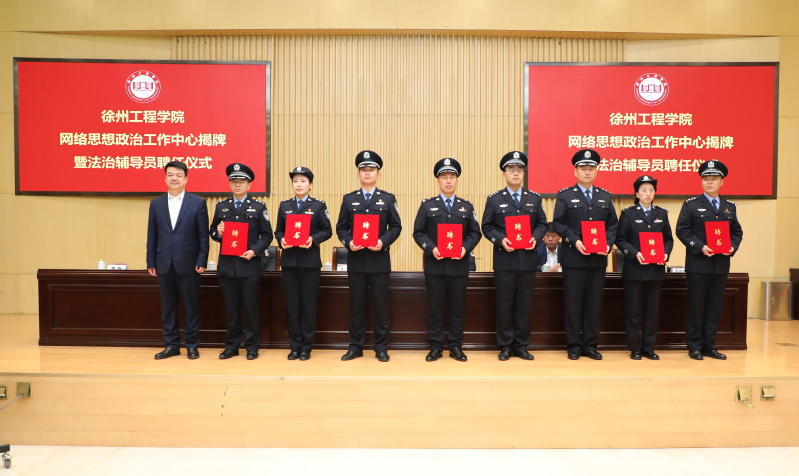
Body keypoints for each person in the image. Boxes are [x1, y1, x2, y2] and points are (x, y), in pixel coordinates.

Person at [412, 158, 482, 362]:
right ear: (438, 181)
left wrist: (465, 248)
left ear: (457, 180)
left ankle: (455, 346)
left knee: (458, 309)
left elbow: (475, 233)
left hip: (459, 267)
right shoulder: (427, 205)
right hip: (435, 267)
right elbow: (418, 233)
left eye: (452, 177)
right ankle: (435, 347)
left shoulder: (466, 207)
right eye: (444, 177)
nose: (448, 181)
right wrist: (431, 248)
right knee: (435, 309)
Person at [336, 150, 402, 362]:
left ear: (378, 174)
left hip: (379, 261)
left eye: (371, 170)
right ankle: (355, 346)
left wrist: (383, 241)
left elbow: (396, 227)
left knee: (381, 306)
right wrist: (348, 242)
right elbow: (341, 228)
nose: (367, 173)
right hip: (356, 261)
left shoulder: (388, 199)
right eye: (363, 169)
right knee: (356, 306)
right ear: (358, 174)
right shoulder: (349, 200)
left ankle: (381, 346)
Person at [481, 151, 548, 361]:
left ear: (524, 173)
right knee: (504, 304)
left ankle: (521, 345)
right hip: (505, 261)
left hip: (527, 261)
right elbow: (487, 227)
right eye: (511, 170)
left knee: (524, 305)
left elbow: (542, 224)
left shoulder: (534, 199)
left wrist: (536, 238)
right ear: (504, 174)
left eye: (519, 169)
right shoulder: (494, 200)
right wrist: (501, 239)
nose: (516, 173)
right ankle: (505, 345)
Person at [553, 149, 618, 361]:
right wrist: (575, 241)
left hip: (597, 259)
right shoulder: (565, 195)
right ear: (576, 171)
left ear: (596, 171)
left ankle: (590, 345)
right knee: (573, 304)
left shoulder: (605, 196)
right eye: (583, 168)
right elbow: (559, 223)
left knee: (593, 304)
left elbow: (613, 225)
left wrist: (608, 244)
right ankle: (573, 345)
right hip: (574, 258)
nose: (587, 172)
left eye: (591, 168)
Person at [676, 160, 743, 360]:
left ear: (722, 181)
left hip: (720, 265)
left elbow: (736, 232)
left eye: (714, 179)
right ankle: (694, 346)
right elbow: (682, 230)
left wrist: (733, 246)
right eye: (706, 179)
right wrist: (700, 247)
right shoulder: (691, 205)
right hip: (698, 265)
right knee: (695, 307)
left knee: (715, 308)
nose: (709, 182)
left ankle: (709, 346)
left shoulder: (729, 207)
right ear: (701, 181)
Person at [209, 163, 273, 360]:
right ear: (229, 184)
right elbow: (212, 232)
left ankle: (252, 346)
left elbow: (267, 235)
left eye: (242, 181)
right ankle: (232, 346)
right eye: (234, 181)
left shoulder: (258, 207)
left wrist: (254, 251)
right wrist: (218, 233)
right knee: (232, 310)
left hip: (249, 266)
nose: (237, 184)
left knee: (251, 308)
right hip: (227, 267)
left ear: (249, 185)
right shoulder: (221, 207)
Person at [146, 161, 209, 360]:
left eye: (179, 175)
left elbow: (203, 236)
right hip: (163, 263)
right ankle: (172, 345)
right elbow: (152, 235)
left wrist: (202, 259)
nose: (174, 178)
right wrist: (151, 262)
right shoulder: (156, 204)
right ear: (165, 178)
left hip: (189, 263)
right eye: (170, 175)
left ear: (186, 179)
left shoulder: (197, 202)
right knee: (168, 307)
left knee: (191, 306)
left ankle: (192, 344)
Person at [274, 167, 332, 361]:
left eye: (303, 181)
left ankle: (306, 347)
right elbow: (278, 230)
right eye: (295, 181)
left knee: (308, 306)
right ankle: (294, 347)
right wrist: (281, 239)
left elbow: (327, 230)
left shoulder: (318, 206)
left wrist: (312, 239)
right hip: (289, 262)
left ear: (310, 185)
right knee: (292, 306)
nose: (298, 184)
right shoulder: (284, 206)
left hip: (310, 263)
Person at [615, 175, 673, 361]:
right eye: (644, 190)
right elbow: (620, 239)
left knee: (651, 312)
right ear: (637, 194)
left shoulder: (662, 214)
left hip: (655, 270)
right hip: (634, 270)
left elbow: (668, 239)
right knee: (633, 312)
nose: (648, 193)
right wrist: (634, 253)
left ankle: (649, 348)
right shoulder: (628, 214)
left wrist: (665, 253)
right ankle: (634, 348)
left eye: (651, 190)